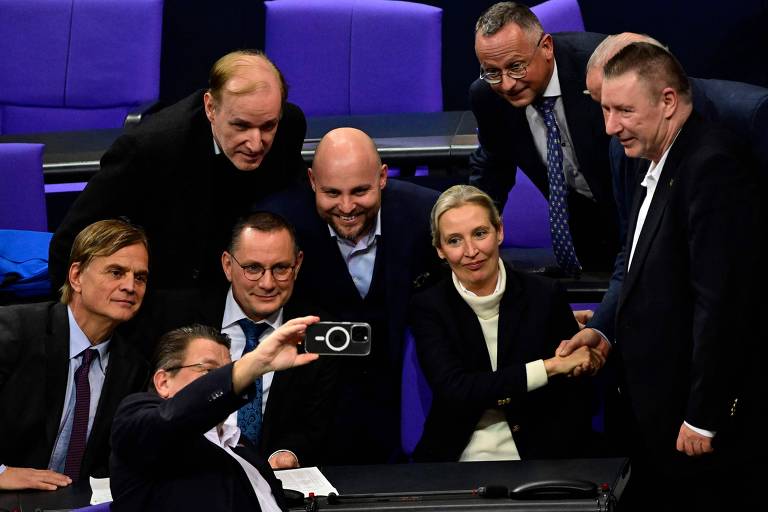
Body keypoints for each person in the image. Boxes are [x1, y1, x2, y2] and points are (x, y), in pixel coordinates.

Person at [596, 42, 759, 507]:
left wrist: (704, 415)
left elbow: (722, 304)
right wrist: (605, 330)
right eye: (606, 110)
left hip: (697, 423)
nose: (611, 127)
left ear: (668, 102)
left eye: (624, 110)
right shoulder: (653, 161)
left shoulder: (712, 167)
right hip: (657, 412)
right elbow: (639, 268)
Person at [254, 127, 442, 464]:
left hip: (407, 399)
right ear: (312, 181)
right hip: (314, 409)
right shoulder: (278, 225)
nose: (346, 206)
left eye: (360, 191)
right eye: (331, 193)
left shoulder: (426, 216)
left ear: (383, 177)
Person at [49, 50, 308, 293]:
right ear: (210, 107)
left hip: (247, 282)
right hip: (170, 292)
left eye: (267, 126)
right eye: (240, 126)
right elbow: (68, 243)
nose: (255, 143)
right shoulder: (150, 148)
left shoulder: (289, 127)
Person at [408, 185, 602, 462]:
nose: (471, 251)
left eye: (479, 233)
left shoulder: (545, 297)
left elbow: (577, 396)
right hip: (457, 456)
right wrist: (550, 367)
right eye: (454, 240)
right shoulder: (429, 308)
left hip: (545, 455)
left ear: (499, 231)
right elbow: (455, 390)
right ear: (439, 249)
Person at [140, 212, 335, 468]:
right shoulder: (175, 316)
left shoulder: (317, 332)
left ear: (297, 265)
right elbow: (149, 407)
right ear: (228, 266)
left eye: (280, 268)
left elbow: (319, 425)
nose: (267, 283)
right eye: (253, 268)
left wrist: (290, 453)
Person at [0, 220, 150, 491]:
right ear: (76, 276)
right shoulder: (14, 331)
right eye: (116, 272)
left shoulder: (134, 368)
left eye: (140, 277)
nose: (131, 286)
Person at [469, 2, 617, 274]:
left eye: (516, 66)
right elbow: (493, 166)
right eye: (492, 72)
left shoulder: (603, 69)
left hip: (641, 209)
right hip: (585, 227)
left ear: (546, 47)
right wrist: (473, 223)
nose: (506, 84)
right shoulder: (487, 97)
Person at [110, 321, 319, 511]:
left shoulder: (240, 445)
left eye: (227, 371)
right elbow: (170, 419)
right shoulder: (135, 418)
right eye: (209, 371)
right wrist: (255, 363)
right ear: (164, 382)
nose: (227, 380)